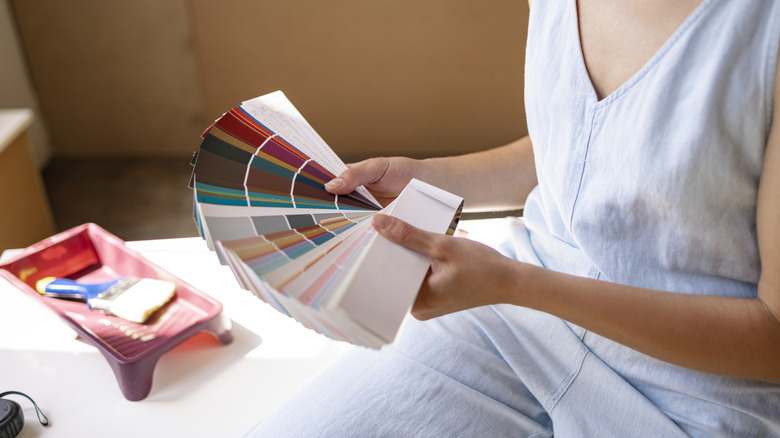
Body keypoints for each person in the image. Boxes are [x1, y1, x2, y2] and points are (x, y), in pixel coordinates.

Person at [249, 0, 780, 435]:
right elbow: (597, 145)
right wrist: (430, 179)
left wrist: (513, 283)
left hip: (697, 397)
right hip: (515, 325)